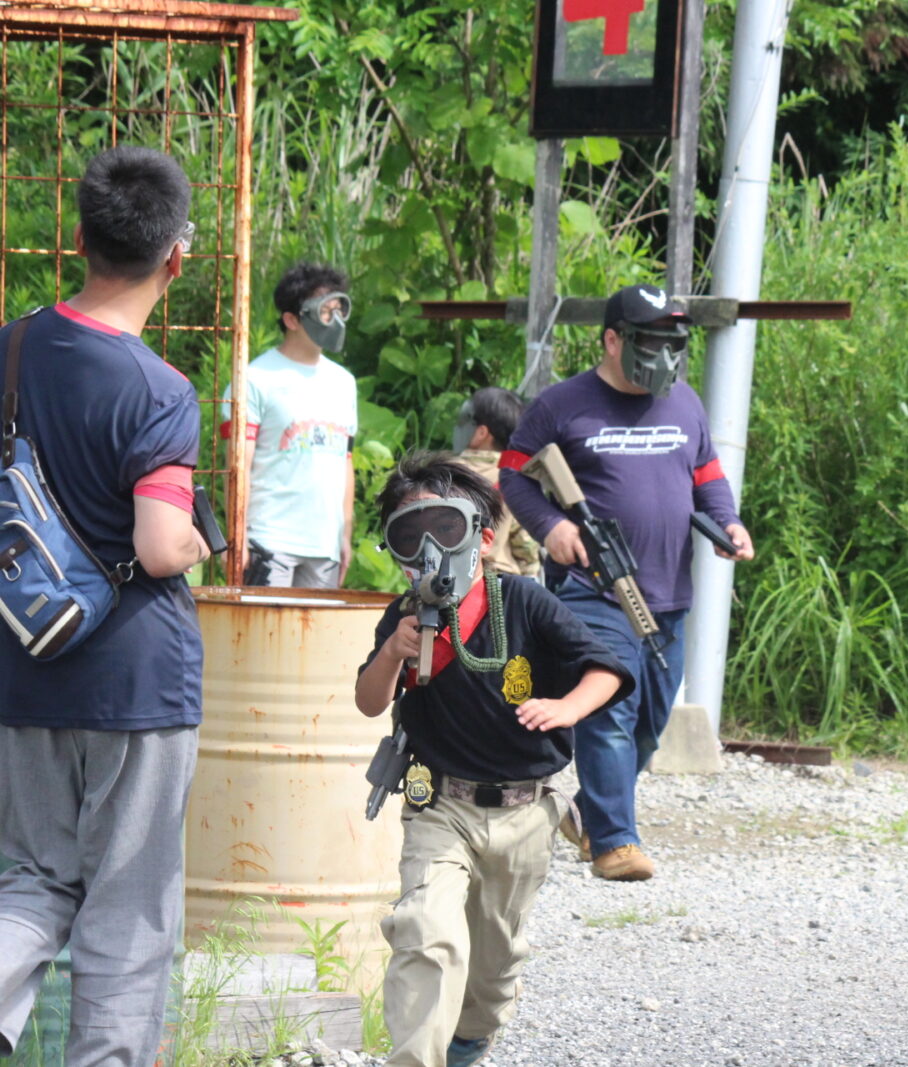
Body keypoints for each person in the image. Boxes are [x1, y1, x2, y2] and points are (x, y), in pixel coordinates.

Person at [0, 146, 210, 1063]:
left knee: (33, 879)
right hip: (135, 681)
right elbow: (161, 545)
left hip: (24, 660)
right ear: (176, 257)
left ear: (78, 240)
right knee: (128, 908)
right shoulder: (159, 390)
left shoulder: (10, 348)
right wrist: (199, 540)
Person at [355, 452, 632, 1067]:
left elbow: (607, 669)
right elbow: (369, 702)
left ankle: (470, 1036)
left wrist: (565, 708)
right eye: (410, 533)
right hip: (439, 807)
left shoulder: (524, 601)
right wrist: (394, 653)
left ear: (483, 538)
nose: (430, 547)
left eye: (445, 527)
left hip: (524, 811)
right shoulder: (404, 616)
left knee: (494, 966)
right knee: (425, 931)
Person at [498, 283, 755, 882]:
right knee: (610, 710)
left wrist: (728, 522)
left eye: (674, 343)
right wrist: (553, 527)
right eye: (650, 342)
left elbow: (707, 476)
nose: (664, 356)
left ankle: (590, 814)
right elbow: (514, 475)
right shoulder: (562, 405)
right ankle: (615, 843)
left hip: (668, 592)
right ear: (613, 340)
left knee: (649, 722)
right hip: (594, 588)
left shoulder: (684, 403)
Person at [222, 262, 356, 588]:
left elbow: (345, 462)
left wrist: (345, 535)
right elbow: (238, 466)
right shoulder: (254, 379)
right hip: (268, 541)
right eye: (325, 311)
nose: (335, 321)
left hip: (324, 546)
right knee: (263, 623)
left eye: (339, 310)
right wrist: (237, 537)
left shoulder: (344, 382)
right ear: (292, 320)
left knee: (318, 626)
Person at [452, 386, 541, 578]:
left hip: (448, 578)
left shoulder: (440, 473)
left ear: (482, 433)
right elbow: (525, 544)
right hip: (500, 580)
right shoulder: (516, 478)